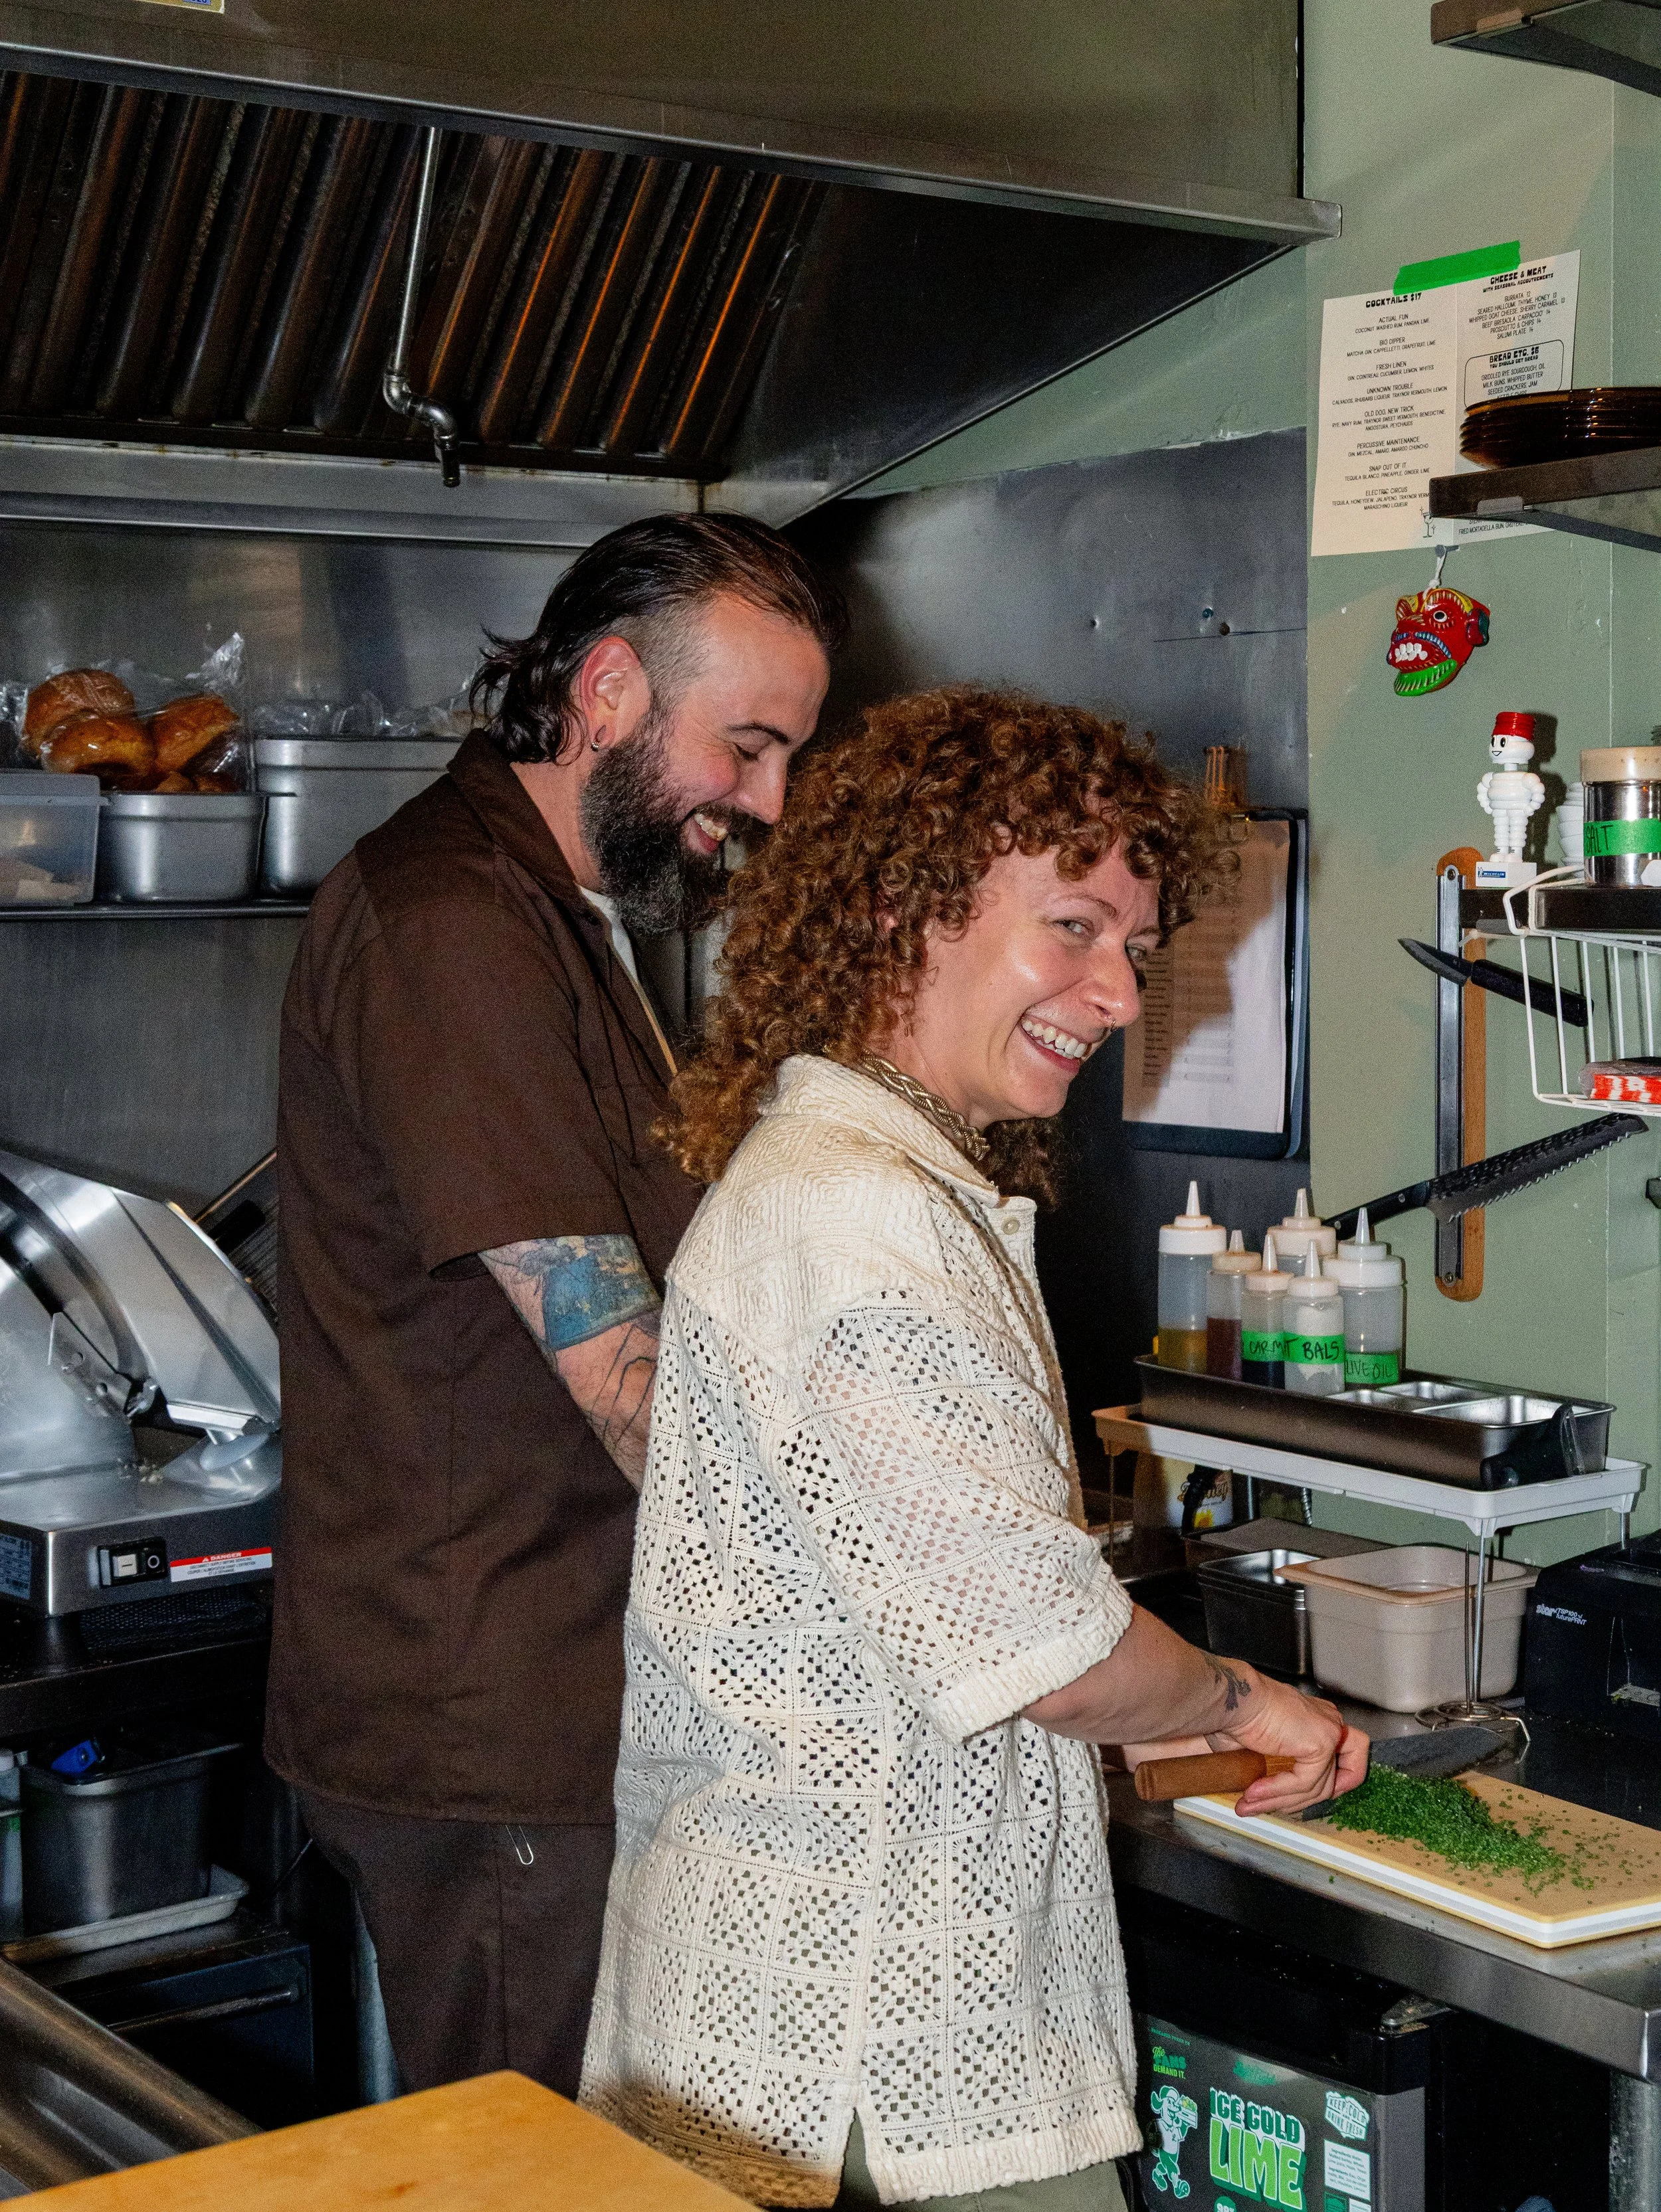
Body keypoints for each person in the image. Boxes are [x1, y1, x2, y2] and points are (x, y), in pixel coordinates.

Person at [580, 689, 1367, 2208]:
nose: (1120, 991)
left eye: (1132, 947)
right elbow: (1044, 1656)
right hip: (875, 2053)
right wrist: (1234, 1697)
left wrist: (1145, 1721)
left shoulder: (865, 1179)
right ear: (900, 909)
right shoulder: (863, 1219)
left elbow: (905, 1624)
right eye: (1070, 927)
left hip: (789, 2014)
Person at [265, 514, 844, 2098]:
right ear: (604, 692)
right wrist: (874, 1587)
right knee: (546, 2183)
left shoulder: (549, 911)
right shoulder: (451, 927)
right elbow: (617, 1373)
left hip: (566, 1684)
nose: (766, 802)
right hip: (497, 1712)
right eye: (746, 746)